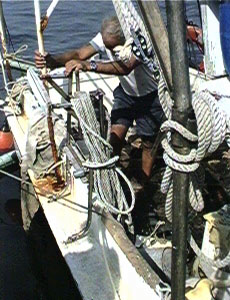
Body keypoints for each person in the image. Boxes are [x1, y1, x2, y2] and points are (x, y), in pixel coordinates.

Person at [35, 16, 164, 191]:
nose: (109, 50)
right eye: (106, 46)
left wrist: (89, 65)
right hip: (126, 93)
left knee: (148, 141)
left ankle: (143, 181)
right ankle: (109, 173)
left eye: (113, 48)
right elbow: (80, 54)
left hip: (149, 97)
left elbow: (126, 67)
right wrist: (53, 60)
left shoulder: (141, 41)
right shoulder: (106, 37)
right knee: (116, 134)